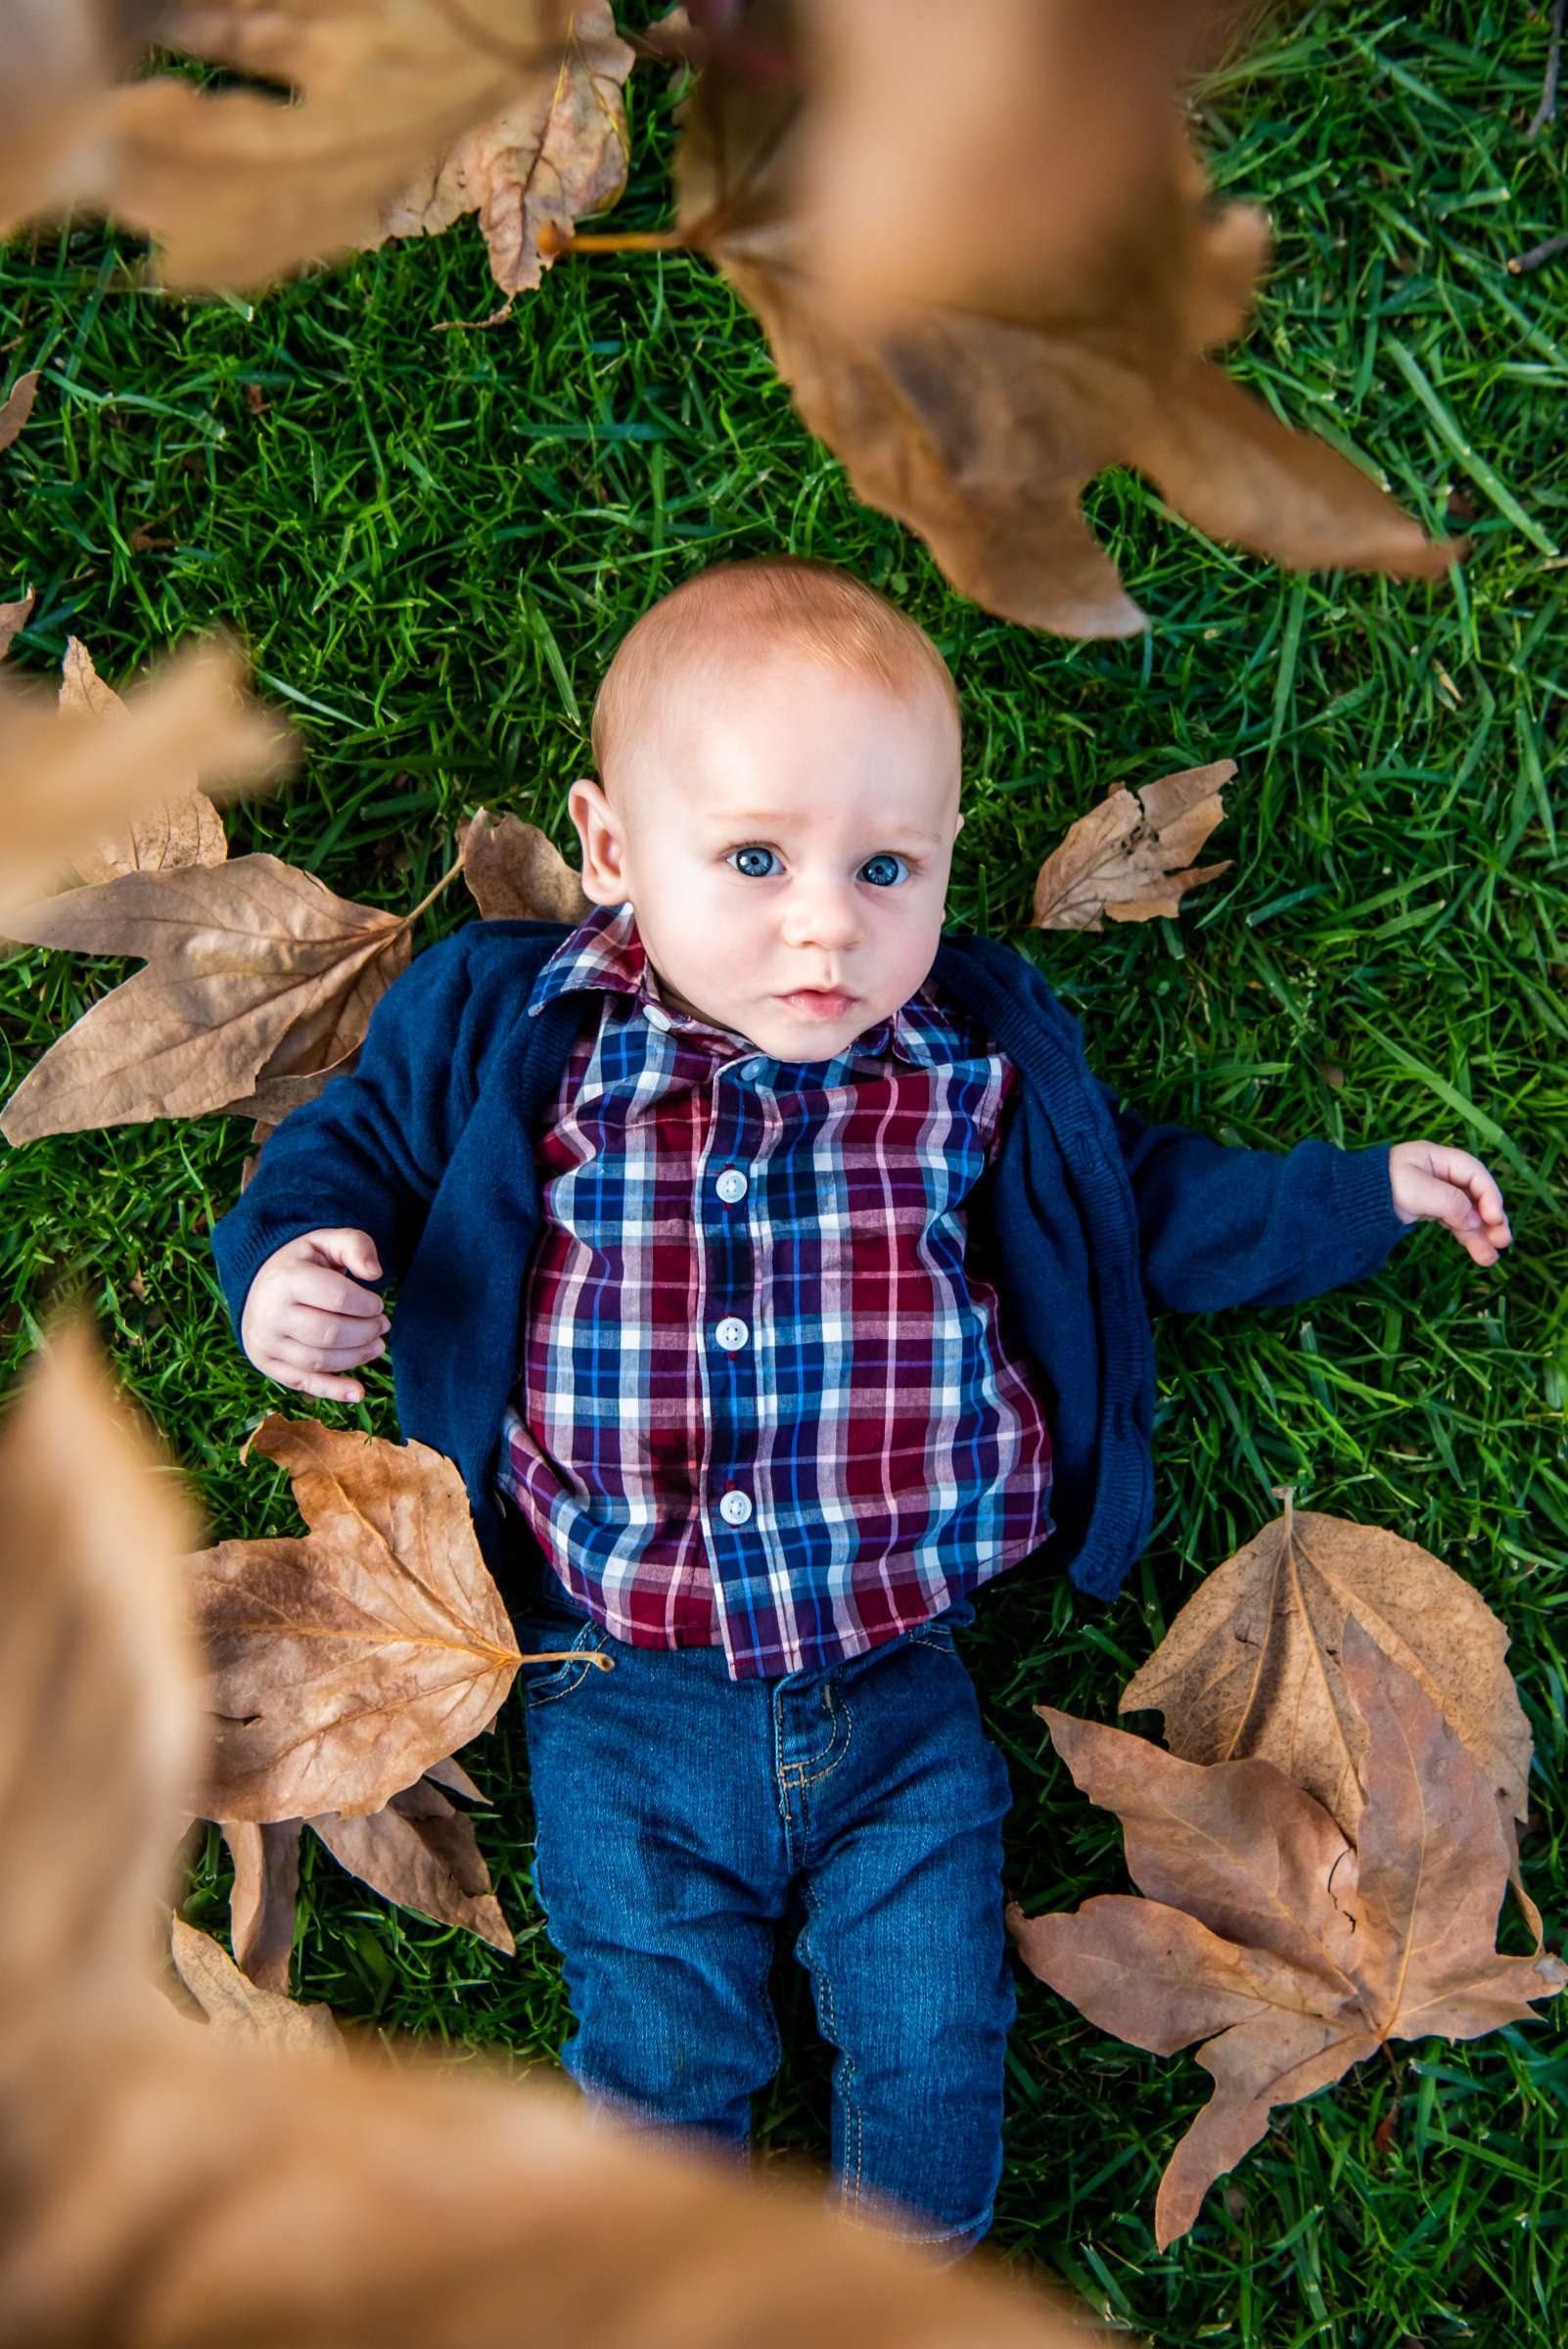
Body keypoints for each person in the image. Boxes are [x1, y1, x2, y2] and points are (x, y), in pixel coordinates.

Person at [209, 555, 1512, 2263]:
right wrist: (291, 1261)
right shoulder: (515, 1017)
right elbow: (350, 1149)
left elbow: (1136, 1216)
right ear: (610, 850)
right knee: (661, 2053)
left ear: (944, 866)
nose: (824, 922)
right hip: (616, 1682)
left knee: (929, 2041)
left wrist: (1353, 1199)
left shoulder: (965, 1056)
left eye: (884, 867)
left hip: (902, 1688)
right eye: (752, 859)